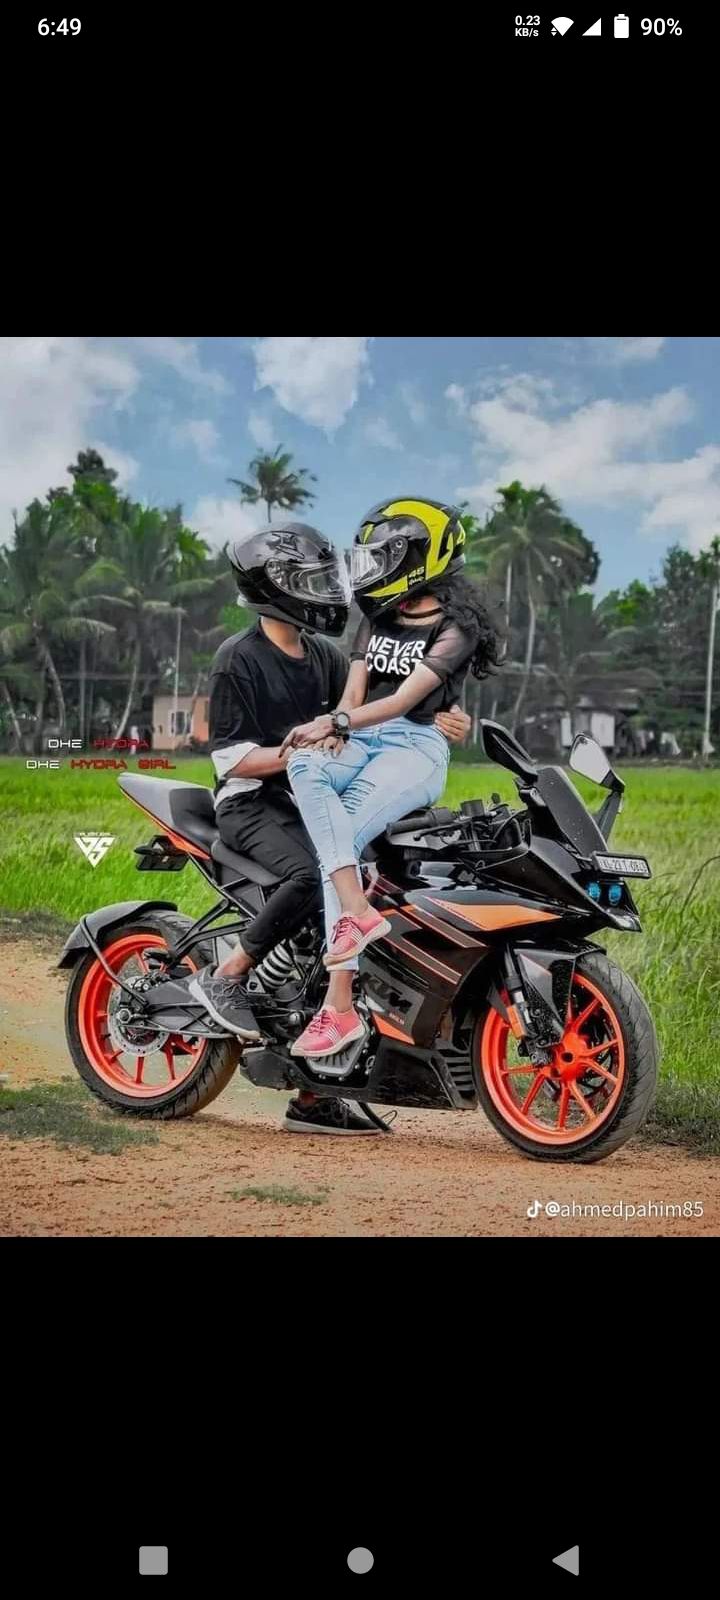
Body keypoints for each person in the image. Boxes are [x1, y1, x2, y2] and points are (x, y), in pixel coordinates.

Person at [186, 520, 471, 1135]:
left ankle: (318, 1090)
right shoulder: (238, 659)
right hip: (251, 801)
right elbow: (231, 759)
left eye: (324, 580)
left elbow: (372, 711)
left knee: (370, 883)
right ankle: (230, 974)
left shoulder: (326, 655)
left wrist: (444, 718)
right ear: (275, 587)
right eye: (309, 582)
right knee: (307, 873)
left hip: (311, 795)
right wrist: (305, 748)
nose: (324, 592)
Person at [280, 497, 500, 1064]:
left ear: (420, 557)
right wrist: (336, 727)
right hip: (360, 735)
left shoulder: (456, 627)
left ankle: (339, 1005)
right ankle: (357, 910)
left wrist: (337, 723)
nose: (374, 568)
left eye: (385, 556)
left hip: (415, 746)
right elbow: (355, 692)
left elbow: (404, 700)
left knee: (344, 835)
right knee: (303, 762)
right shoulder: (376, 616)